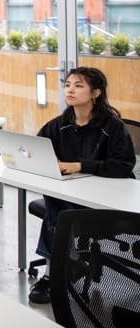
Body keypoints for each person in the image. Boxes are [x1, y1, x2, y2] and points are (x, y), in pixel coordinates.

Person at [27, 66, 135, 305]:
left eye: (78, 85)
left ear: (96, 92)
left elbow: (123, 166)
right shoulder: (58, 125)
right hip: (69, 194)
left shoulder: (113, 126)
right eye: (67, 85)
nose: (70, 90)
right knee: (57, 203)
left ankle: (51, 273)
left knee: (58, 209)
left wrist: (79, 166)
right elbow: (36, 152)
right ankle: (58, 269)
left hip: (107, 197)